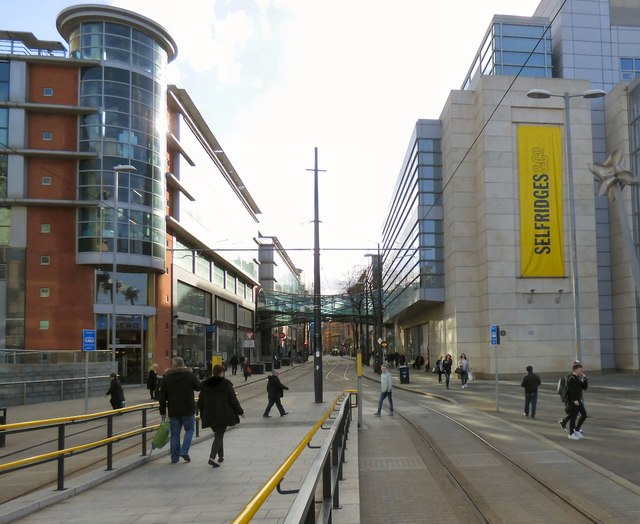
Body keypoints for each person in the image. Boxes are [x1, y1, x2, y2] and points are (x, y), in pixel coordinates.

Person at [197, 364, 244, 468]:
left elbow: (200, 402)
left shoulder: (205, 384)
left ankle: (221, 456)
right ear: (222, 373)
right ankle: (212, 458)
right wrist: (240, 411)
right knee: (219, 435)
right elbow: (233, 399)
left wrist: (203, 413)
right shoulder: (226, 384)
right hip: (223, 414)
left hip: (209, 415)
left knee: (218, 434)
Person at [158, 357, 201, 463]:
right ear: (183, 364)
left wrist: (162, 411)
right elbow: (198, 387)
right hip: (188, 409)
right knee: (190, 430)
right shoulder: (189, 375)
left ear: (173, 365)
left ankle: (174, 457)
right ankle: (184, 451)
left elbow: (162, 397)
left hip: (174, 410)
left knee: (175, 434)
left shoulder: (167, 377)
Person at [560, 362, 589, 440]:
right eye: (580, 370)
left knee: (584, 415)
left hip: (578, 401)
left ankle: (576, 430)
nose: (581, 371)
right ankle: (571, 434)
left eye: (581, 370)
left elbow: (584, 387)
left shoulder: (577, 378)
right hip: (574, 401)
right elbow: (571, 391)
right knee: (573, 417)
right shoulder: (571, 378)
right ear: (575, 370)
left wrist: (585, 379)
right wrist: (574, 400)